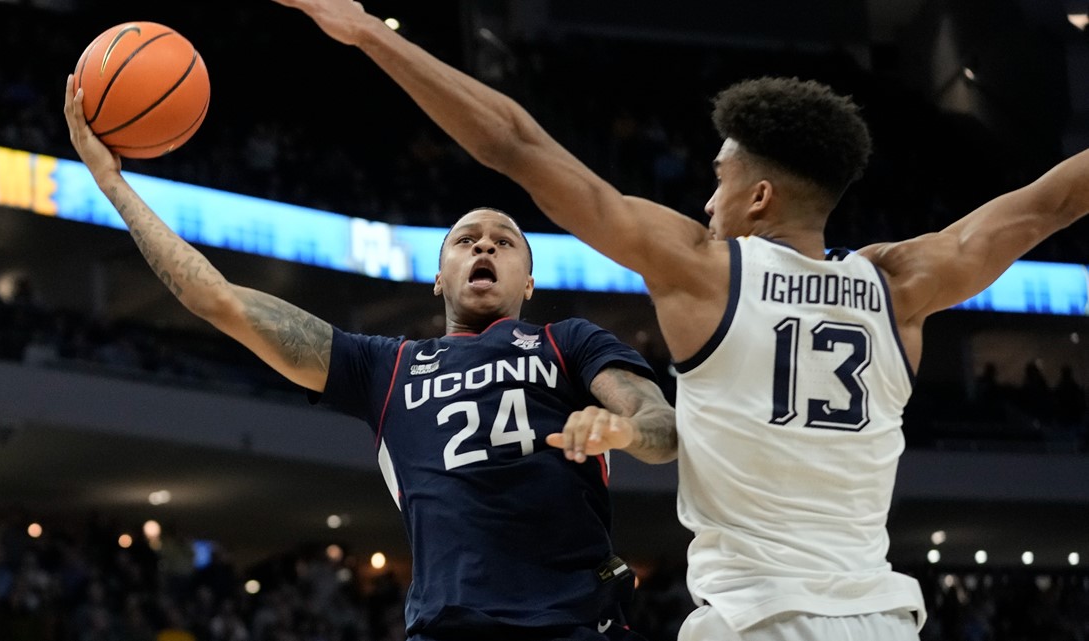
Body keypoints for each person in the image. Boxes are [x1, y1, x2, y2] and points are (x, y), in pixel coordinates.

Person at [269, 1, 1089, 639]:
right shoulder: (903, 281)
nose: (706, 198)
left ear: (759, 196)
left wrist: (373, 35)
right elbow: (1050, 201)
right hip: (880, 613)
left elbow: (516, 144)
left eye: (719, 178)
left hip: (751, 618)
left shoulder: (703, 267)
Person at [62, 75, 677, 641]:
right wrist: (112, 183)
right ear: (439, 278)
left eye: (504, 241)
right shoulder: (384, 366)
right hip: (449, 629)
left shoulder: (567, 341)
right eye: (466, 240)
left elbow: (663, 430)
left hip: (576, 625)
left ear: (529, 282)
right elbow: (216, 299)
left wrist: (621, 428)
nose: (484, 243)